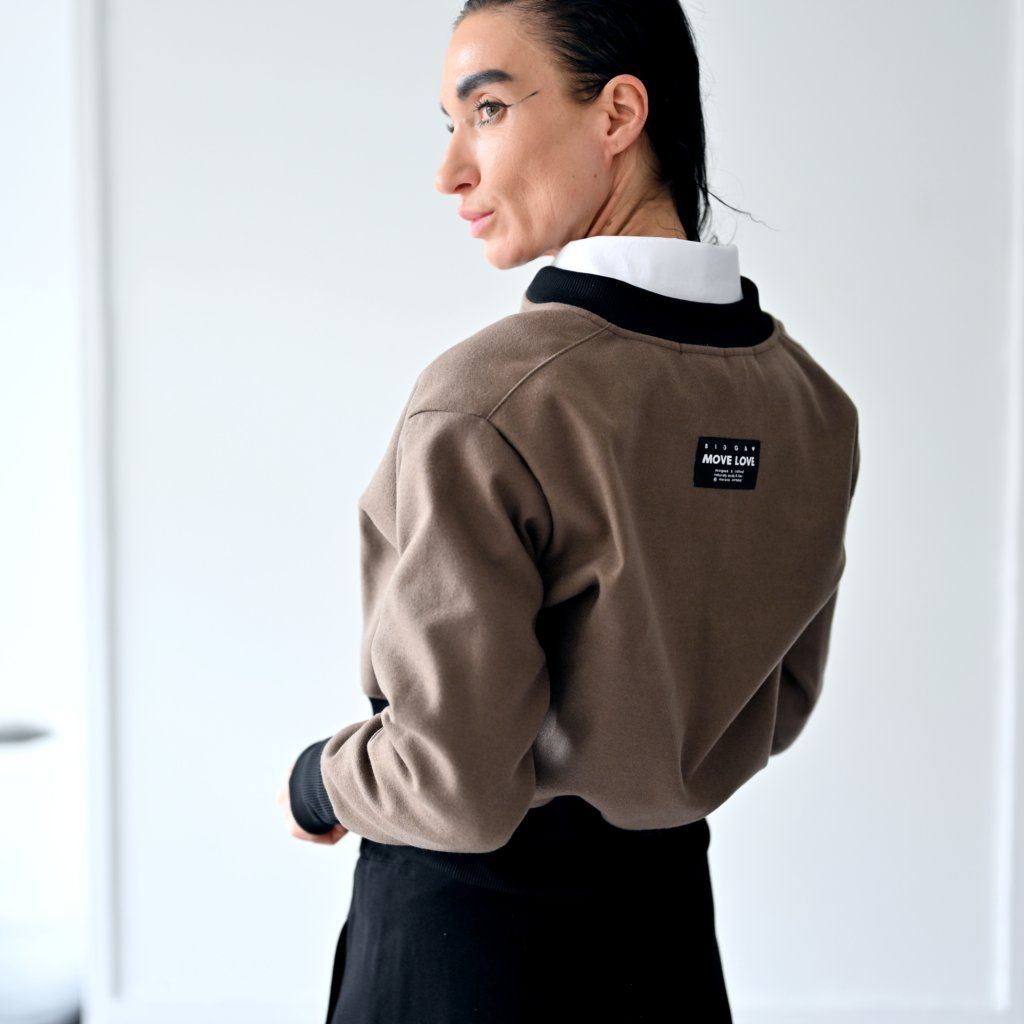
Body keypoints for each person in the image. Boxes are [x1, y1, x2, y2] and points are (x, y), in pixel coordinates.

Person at [275, 1, 861, 1021]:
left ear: (618, 113)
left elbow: (452, 783)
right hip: (666, 945)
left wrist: (317, 783)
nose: (451, 170)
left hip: (465, 955)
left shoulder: (489, 399)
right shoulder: (811, 406)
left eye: (488, 110)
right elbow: (782, 708)